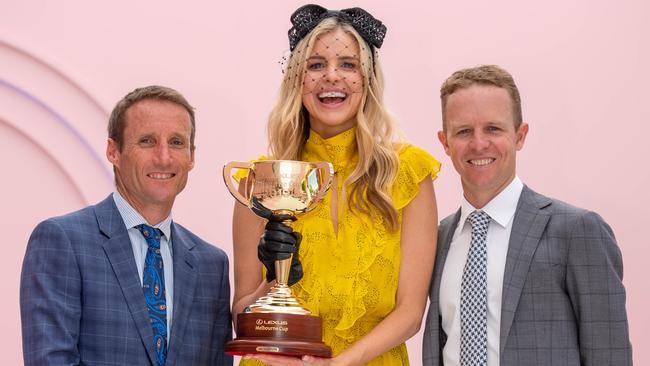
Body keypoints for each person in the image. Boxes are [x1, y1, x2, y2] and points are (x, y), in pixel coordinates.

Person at [232, 4, 440, 365]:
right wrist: (274, 280)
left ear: (368, 80)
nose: (332, 76)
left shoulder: (407, 173)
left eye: (348, 64)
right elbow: (243, 318)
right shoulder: (260, 181)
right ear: (297, 79)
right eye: (316, 65)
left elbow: (410, 313)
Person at [422, 65, 632, 366]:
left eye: (493, 129)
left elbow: (609, 355)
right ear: (444, 142)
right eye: (464, 131)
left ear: (520, 136)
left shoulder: (577, 231)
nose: (479, 143)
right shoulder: (437, 239)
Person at [20, 85, 233, 366]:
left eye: (177, 142)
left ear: (192, 156)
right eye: (147, 141)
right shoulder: (63, 241)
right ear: (113, 151)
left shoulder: (211, 265)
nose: (164, 157)